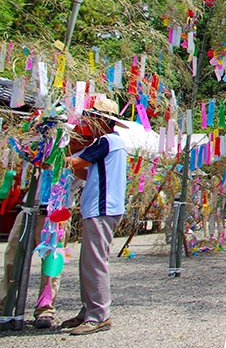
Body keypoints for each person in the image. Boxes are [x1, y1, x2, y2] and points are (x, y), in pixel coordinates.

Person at [0, 124, 85, 328]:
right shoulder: (38, 148)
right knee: (12, 256)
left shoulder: (81, 155)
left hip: (56, 213)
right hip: (29, 208)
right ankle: (5, 304)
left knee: (52, 264)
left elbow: (78, 181)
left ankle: (45, 309)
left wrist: (65, 162)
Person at [62, 97, 127, 335]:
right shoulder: (107, 143)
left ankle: (99, 315)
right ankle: (88, 309)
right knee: (88, 262)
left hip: (103, 208)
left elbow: (76, 162)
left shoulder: (106, 141)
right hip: (99, 208)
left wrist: (52, 154)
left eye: (91, 118)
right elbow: (82, 169)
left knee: (96, 262)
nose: (87, 122)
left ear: (102, 120)